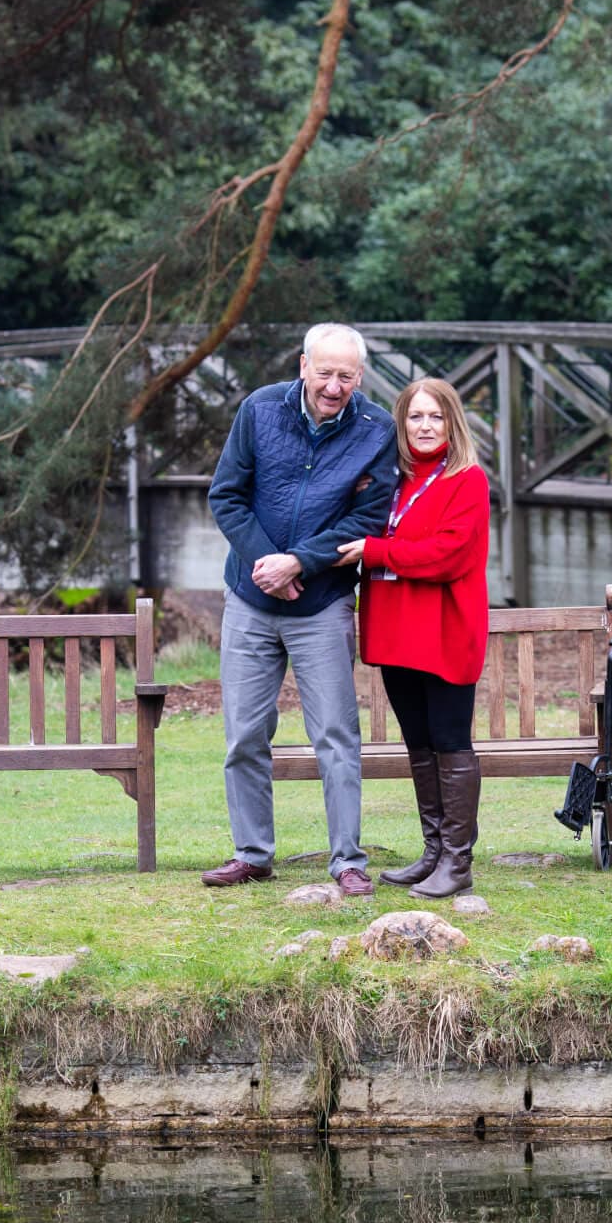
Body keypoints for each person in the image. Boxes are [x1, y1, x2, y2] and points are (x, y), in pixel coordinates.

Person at [204, 323, 399, 896]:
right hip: (249, 599)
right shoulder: (260, 410)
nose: (333, 386)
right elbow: (227, 495)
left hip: (322, 603)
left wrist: (300, 564)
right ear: (303, 366)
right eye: (325, 372)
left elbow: (367, 520)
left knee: (336, 736)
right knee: (244, 734)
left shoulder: (376, 429)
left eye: (346, 375)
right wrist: (268, 562)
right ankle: (252, 853)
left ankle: (347, 861)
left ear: (359, 376)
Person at [336, 378, 490, 898]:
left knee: (450, 743)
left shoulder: (466, 480)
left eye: (436, 417)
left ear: (453, 423)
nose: (425, 427)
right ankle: (433, 852)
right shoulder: (390, 480)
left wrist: (378, 552)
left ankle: (458, 861)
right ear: (400, 424)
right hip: (397, 633)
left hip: (445, 634)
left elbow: (449, 555)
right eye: (414, 417)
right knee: (419, 746)